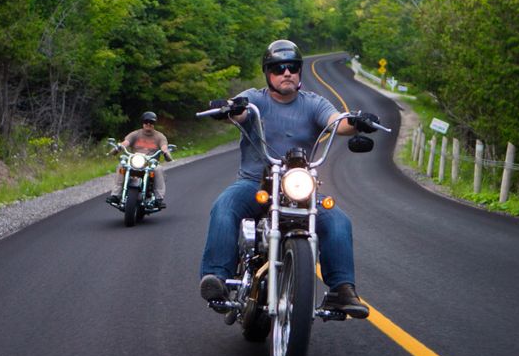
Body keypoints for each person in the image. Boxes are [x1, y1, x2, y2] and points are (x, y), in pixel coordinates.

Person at [199, 39, 380, 319]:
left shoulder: (313, 103)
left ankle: (341, 289)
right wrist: (230, 108)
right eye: (278, 67)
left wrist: (355, 121)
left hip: (298, 187)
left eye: (293, 67)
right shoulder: (256, 100)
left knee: (337, 219)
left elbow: (335, 121)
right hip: (254, 183)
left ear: (299, 72)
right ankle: (217, 278)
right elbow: (240, 109)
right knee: (224, 205)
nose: (287, 73)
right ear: (268, 73)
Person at [106, 111, 173, 209]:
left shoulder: (159, 136)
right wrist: (118, 148)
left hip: (150, 163)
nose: (148, 124)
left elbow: (164, 146)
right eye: (146, 122)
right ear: (143, 123)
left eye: (151, 122)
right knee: (121, 166)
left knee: (158, 169)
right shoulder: (135, 134)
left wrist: (166, 152)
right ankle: (116, 195)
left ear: (154, 124)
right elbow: (126, 142)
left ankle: (159, 198)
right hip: (135, 161)